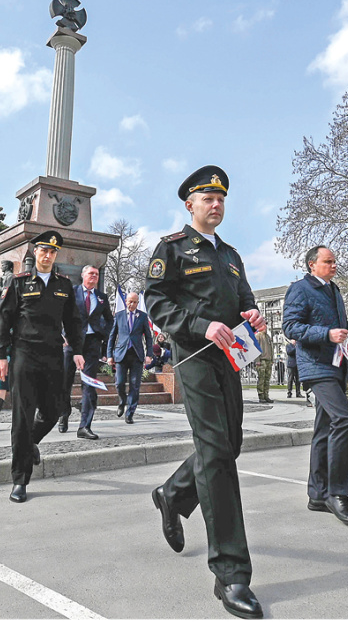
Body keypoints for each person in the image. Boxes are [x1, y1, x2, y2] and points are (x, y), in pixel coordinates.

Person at [144, 165, 266, 620]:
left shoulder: (230, 255)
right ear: (190, 205)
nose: (216, 205)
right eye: (207, 199)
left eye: (221, 199)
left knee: (229, 444)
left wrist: (252, 314)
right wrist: (201, 325)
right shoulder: (173, 248)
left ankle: (173, 494)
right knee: (215, 453)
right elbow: (156, 301)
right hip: (194, 356)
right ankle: (231, 573)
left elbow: (244, 298)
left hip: (231, 356)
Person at [282, 245, 348, 527]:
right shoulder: (300, 289)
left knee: (324, 428)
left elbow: (339, 324)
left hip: (336, 365)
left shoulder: (333, 289)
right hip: (315, 365)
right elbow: (291, 327)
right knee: (345, 420)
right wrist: (327, 334)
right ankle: (338, 493)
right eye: (328, 261)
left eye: (335, 261)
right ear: (312, 264)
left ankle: (318, 495)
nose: (334, 265)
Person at [0, 230, 84, 503]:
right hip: (24, 354)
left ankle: (30, 443)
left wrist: (78, 350)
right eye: (44, 250)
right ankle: (20, 480)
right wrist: (0, 354)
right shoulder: (19, 282)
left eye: (53, 252)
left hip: (53, 355)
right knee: (22, 416)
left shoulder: (64, 285)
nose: (48, 255)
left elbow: (73, 321)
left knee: (56, 409)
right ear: (35, 252)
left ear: (56, 255)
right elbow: (3, 319)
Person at [61, 265, 113, 439]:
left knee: (89, 384)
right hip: (72, 342)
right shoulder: (72, 292)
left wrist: (103, 335)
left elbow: (110, 320)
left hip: (92, 344)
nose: (94, 276)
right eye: (91, 273)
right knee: (65, 381)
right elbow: (60, 313)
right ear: (83, 275)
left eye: (97, 274)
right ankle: (64, 413)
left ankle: (84, 426)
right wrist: (62, 334)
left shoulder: (101, 297)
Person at [107, 291, 152, 424]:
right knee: (119, 383)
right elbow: (112, 336)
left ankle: (130, 413)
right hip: (121, 354)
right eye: (129, 301)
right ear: (126, 301)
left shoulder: (142, 316)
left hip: (136, 355)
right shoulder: (119, 315)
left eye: (134, 302)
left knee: (135, 385)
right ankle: (122, 401)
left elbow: (148, 337)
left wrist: (149, 354)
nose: (131, 304)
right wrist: (109, 355)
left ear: (138, 303)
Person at [255, 328, 274, 404]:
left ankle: (266, 395)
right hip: (261, 360)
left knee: (267, 379)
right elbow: (256, 348)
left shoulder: (268, 336)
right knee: (261, 379)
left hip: (268, 360)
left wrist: (272, 359)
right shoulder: (258, 336)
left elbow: (271, 348)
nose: (265, 327)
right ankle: (261, 396)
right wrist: (257, 360)